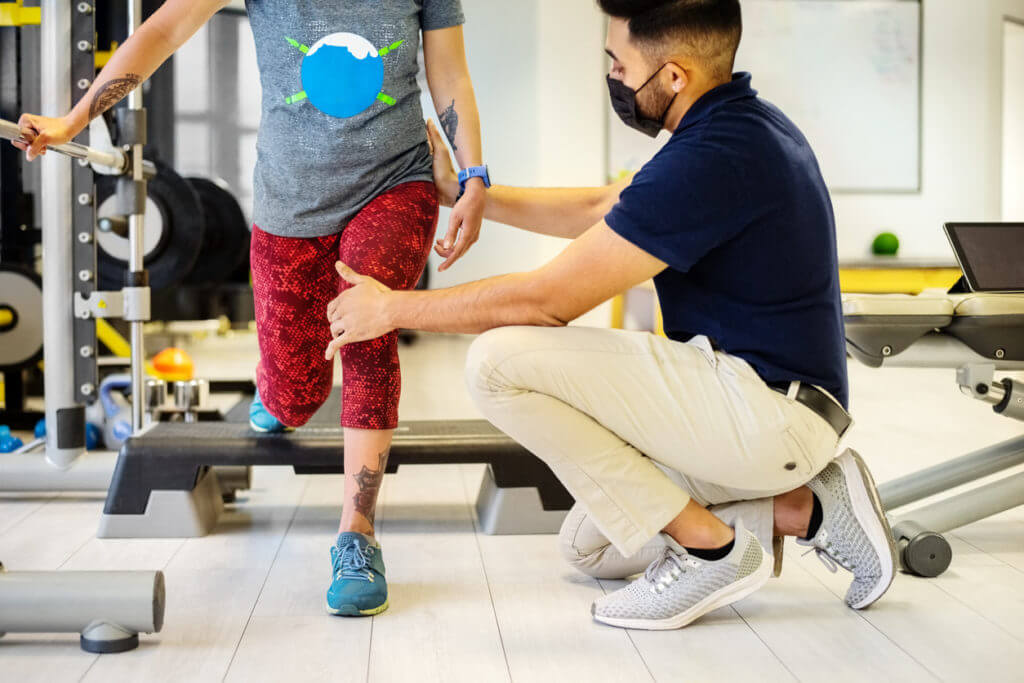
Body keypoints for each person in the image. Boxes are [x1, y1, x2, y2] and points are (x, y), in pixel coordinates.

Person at [323, 0, 897, 630]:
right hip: (756, 406)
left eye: (619, 63)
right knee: (591, 546)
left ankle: (713, 552)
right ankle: (812, 508)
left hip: (768, 414)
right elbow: (602, 205)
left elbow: (544, 302)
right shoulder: (735, 126)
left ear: (674, 76)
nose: (616, 78)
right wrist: (465, 194)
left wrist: (394, 307)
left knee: (496, 363)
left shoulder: (718, 157)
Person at [13, 0, 489, 618]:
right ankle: (279, 392)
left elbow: (450, 73)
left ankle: (357, 536)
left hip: (397, 182)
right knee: (295, 395)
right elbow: (165, 28)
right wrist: (76, 120)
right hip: (288, 202)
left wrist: (474, 173)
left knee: (371, 319)